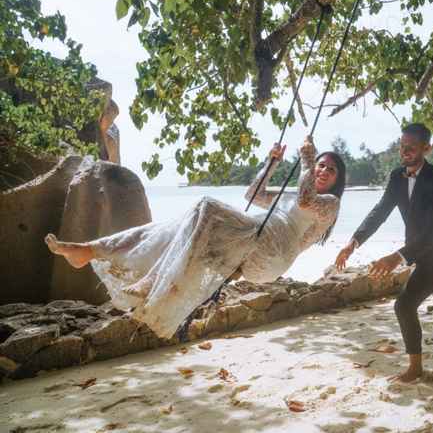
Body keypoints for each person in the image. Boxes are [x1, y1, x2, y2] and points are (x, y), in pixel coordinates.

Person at [46, 135, 345, 338]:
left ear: (337, 179)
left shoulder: (330, 204)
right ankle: (91, 250)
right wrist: (271, 163)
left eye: (330, 169)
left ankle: (154, 281)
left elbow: (306, 202)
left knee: (207, 208)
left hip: (275, 252)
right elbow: (252, 194)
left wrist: (307, 157)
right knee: (178, 228)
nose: (323, 170)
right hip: (256, 241)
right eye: (321, 165)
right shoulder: (292, 193)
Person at [335, 123, 433, 382]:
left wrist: (397, 257)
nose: (404, 151)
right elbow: (380, 211)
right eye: (401, 146)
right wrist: (353, 242)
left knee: (404, 305)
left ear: (426, 148)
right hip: (419, 249)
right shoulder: (396, 176)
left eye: (411, 147)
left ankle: (415, 368)